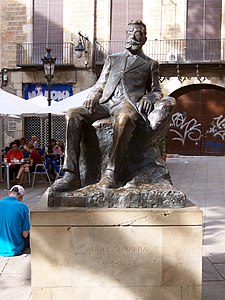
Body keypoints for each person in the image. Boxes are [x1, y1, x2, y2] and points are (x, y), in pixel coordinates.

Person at [50, 20, 163, 193]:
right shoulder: (112, 59)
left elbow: (156, 90)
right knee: (72, 114)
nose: (133, 36)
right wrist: (94, 95)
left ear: (144, 38)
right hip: (106, 103)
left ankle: (111, 172)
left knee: (125, 118)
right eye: (130, 32)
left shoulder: (150, 64)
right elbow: (100, 83)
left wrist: (149, 96)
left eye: (138, 33)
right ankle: (71, 174)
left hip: (127, 104)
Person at [0, 185, 30, 256]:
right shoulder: (23, 207)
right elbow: (25, 234)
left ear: (9, 193)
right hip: (14, 249)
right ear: (21, 197)